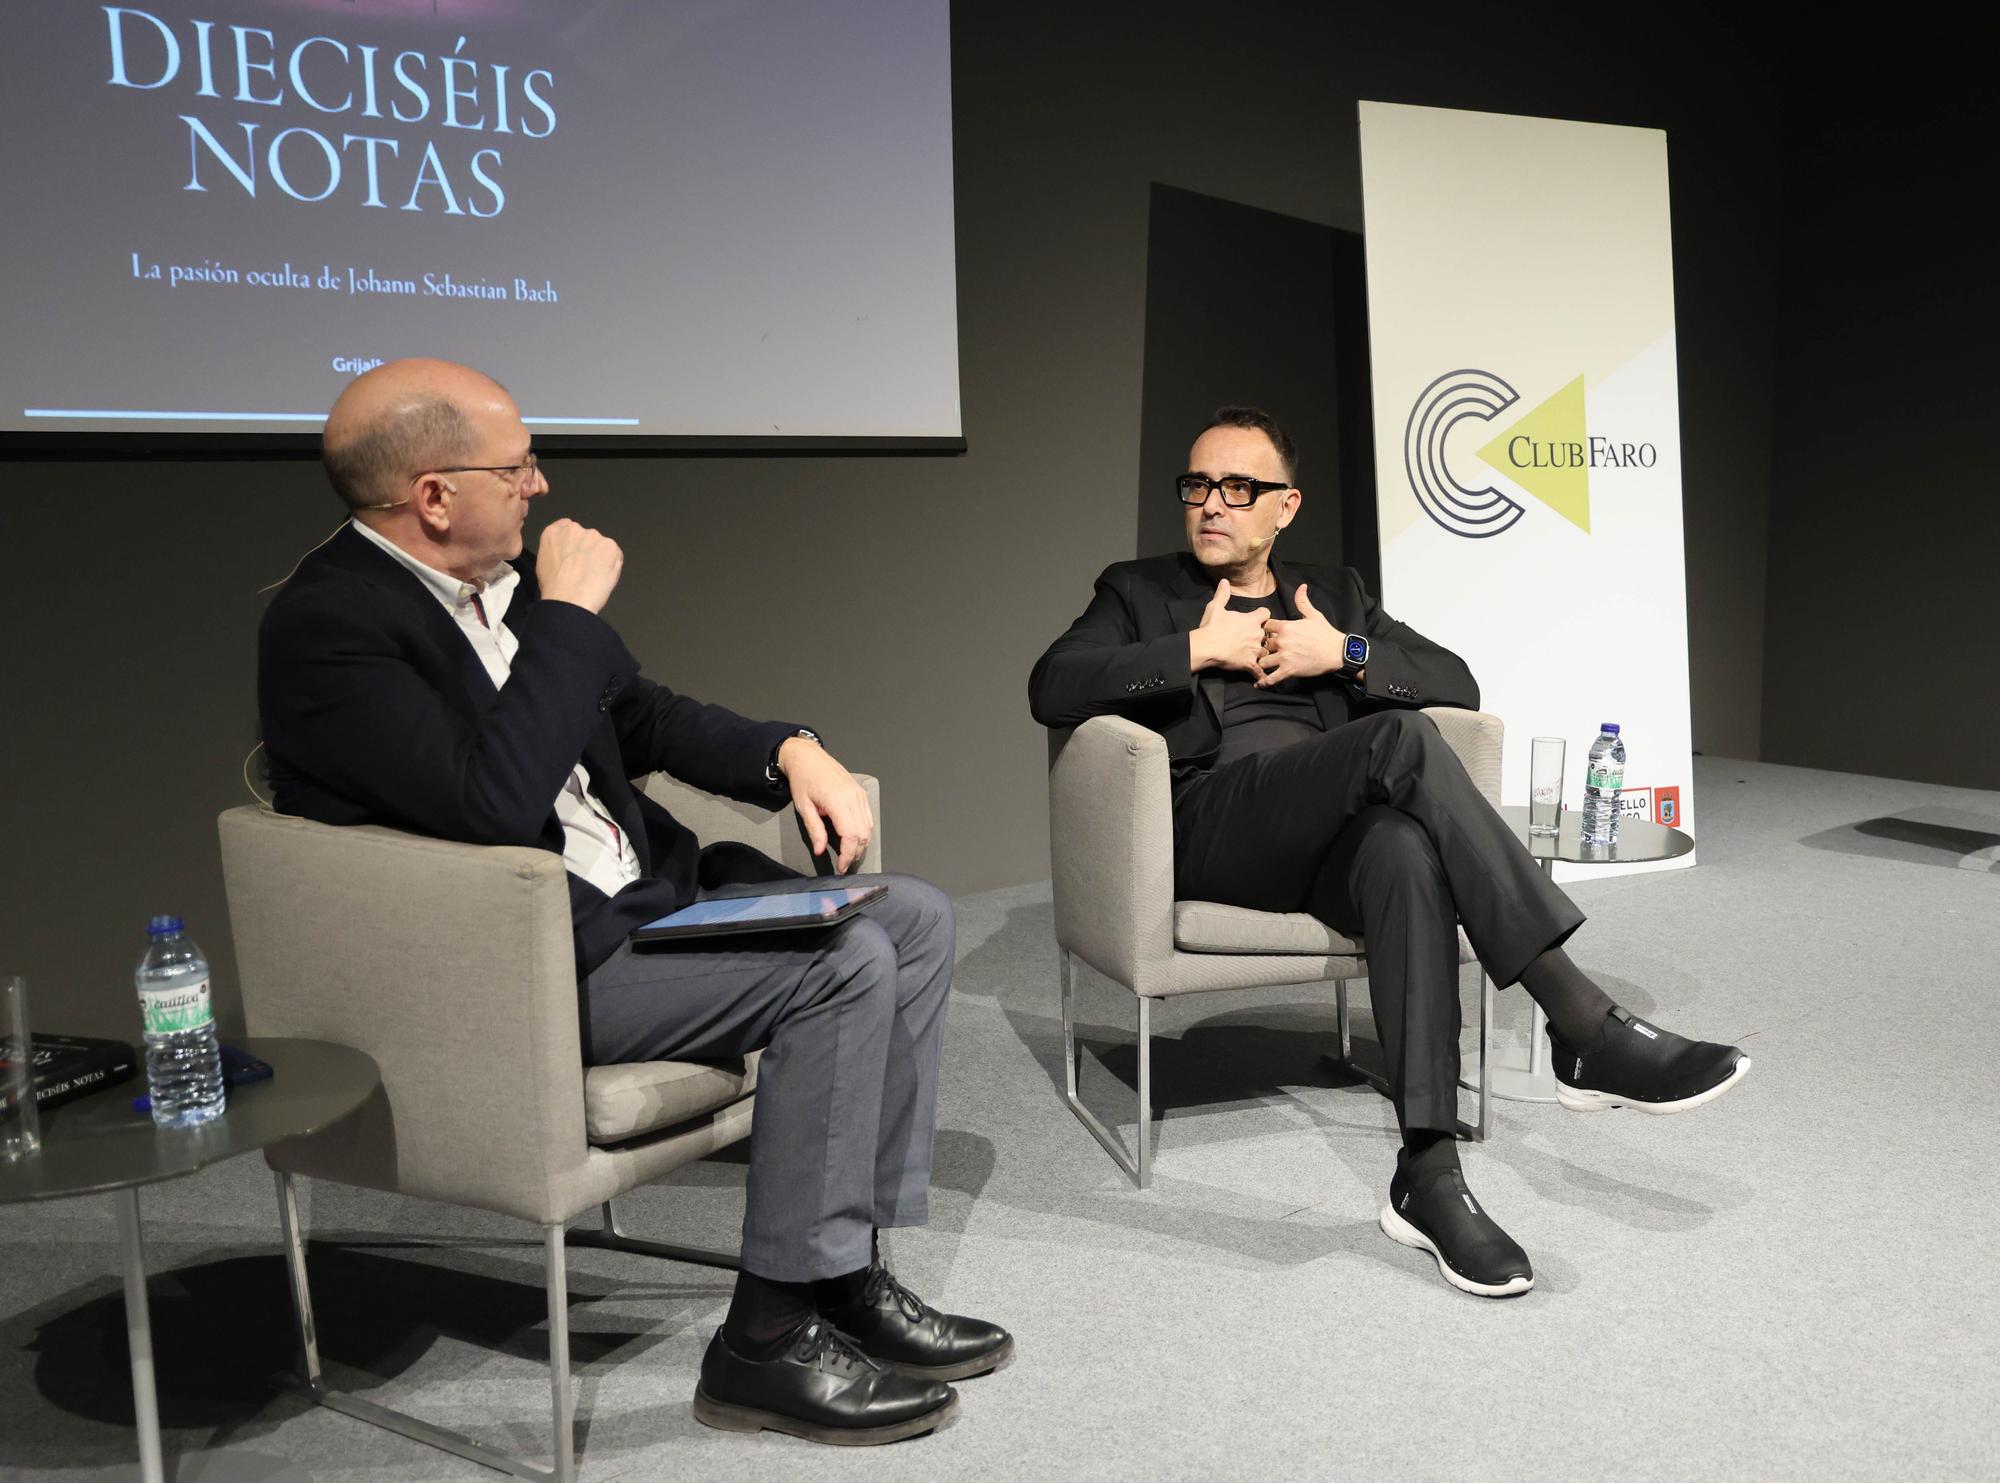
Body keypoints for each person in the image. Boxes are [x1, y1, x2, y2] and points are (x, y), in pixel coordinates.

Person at [259, 358, 1009, 1443]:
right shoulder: (329, 630)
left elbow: (645, 718)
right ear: (433, 496)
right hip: (528, 969)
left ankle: (839, 1276)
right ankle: (761, 1342)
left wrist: (791, 748)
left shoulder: (497, 586)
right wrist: (564, 616)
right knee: (841, 966)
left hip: (634, 910)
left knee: (912, 916)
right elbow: (491, 801)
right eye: (515, 466)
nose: (541, 485)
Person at [1027, 405, 1749, 1298]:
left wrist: (1347, 651)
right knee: (1398, 742)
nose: (1212, 504)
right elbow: (1050, 684)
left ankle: (1429, 1175)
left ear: (1284, 506)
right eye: (1197, 485)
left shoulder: (1335, 594)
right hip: (1211, 828)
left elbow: (1459, 680)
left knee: (1403, 849)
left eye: (1238, 487)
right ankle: (1582, 1024)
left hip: (1323, 836)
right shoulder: (1136, 591)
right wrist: (1191, 648)